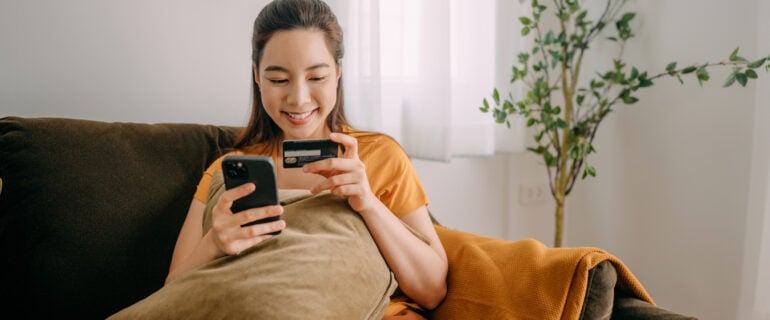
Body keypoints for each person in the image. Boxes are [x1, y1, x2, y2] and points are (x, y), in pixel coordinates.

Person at [164, 0, 448, 316]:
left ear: (338, 74)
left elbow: (432, 291)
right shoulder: (227, 171)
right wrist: (214, 243)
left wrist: (368, 203)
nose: (299, 99)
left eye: (316, 78)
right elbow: (171, 295)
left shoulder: (379, 156)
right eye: (279, 80)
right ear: (257, 77)